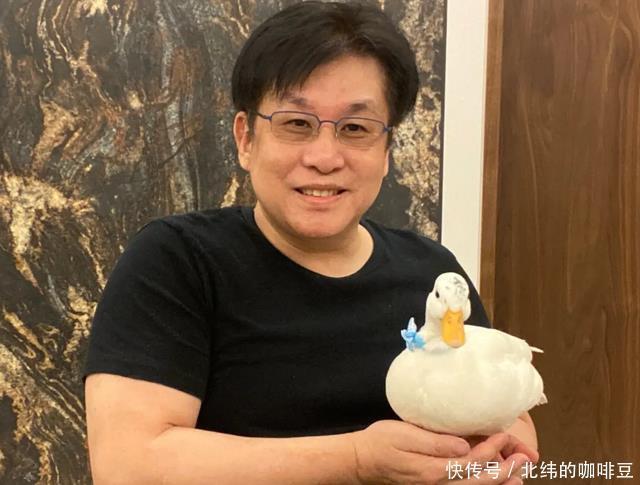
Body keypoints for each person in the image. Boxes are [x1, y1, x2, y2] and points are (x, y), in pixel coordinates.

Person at [83, 2, 539, 484]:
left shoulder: (431, 271)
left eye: (355, 129)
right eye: (297, 124)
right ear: (245, 139)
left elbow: (512, 421)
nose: (324, 157)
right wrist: (358, 460)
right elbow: (129, 465)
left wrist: (495, 464)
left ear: (387, 151)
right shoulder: (178, 261)